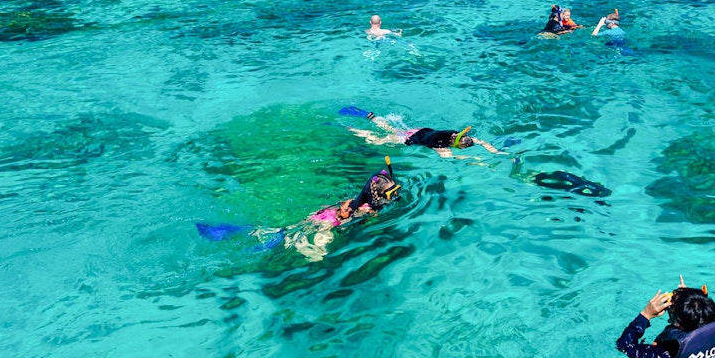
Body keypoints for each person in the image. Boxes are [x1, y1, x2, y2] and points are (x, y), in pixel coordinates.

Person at [196, 162, 402, 261]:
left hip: (321, 217)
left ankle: (230, 232)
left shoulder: (360, 200)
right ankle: (239, 244)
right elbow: (346, 215)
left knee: (280, 231)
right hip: (326, 223)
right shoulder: (363, 207)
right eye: (390, 193)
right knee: (299, 246)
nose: (392, 197)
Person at [347, 113, 505, 159]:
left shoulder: (457, 135)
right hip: (411, 139)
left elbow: (481, 141)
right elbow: (448, 158)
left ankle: (372, 117)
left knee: (392, 128)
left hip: (421, 130)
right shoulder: (440, 146)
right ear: (456, 144)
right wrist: (473, 159)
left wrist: (495, 152)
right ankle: (351, 129)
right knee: (376, 140)